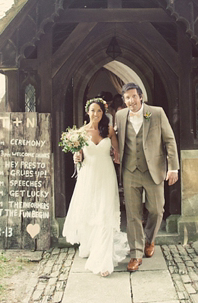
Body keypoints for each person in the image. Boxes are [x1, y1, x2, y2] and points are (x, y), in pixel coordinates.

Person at [115, 83, 179, 272]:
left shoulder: (156, 113)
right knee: (133, 215)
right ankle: (136, 254)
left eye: (133, 96)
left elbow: (169, 140)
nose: (131, 101)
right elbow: (112, 137)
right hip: (130, 171)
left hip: (153, 170)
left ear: (141, 96)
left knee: (157, 209)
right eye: (127, 98)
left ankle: (149, 239)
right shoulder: (120, 116)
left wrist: (173, 168)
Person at [62, 97, 128, 277]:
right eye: (93, 110)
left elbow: (117, 154)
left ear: (103, 112)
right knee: (91, 213)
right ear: (87, 112)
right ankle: (90, 245)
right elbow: (78, 156)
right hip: (89, 176)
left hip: (106, 176)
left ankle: (103, 261)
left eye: (99, 110)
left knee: (105, 215)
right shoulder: (80, 132)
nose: (96, 114)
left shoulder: (108, 130)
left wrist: (119, 156)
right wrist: (76, 158)